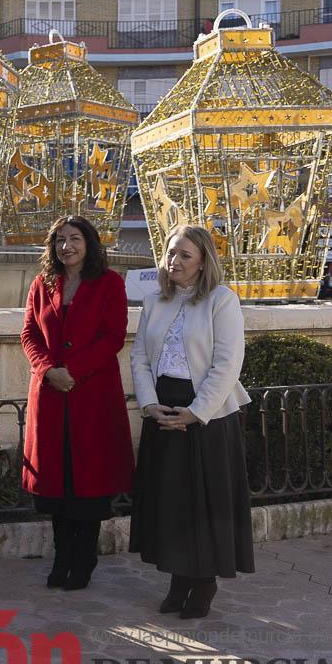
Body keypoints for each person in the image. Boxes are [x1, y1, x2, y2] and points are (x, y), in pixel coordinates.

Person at [129, 225, 254, 619]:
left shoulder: (222, 300)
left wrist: (196, 412)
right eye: (170, 253)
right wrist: (149, 405)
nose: (174, 261)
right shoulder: (154, 301)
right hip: (162, 411)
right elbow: (140, 359)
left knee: (204, 503)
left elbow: (226, 365)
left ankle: (204, 581)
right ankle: (178, 577)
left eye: (184, 254)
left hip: (208, 416)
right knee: (170, 503)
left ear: (203, 262)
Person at [21, 215, 134, 591]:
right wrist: (48, 369)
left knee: (88, 482)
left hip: (92, 396)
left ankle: (84, 557)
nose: (66, 246)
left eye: (74, 239)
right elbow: (29, 333)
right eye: (59, 240)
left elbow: (113, 336)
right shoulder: (42, 283)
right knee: (57, 483)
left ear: (89, 243)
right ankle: (61, 556)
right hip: (51, 395)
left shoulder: (110, 283)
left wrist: (74, 370)